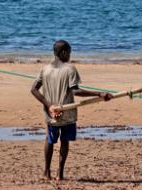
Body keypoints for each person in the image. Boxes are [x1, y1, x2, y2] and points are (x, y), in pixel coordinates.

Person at [30, 40, 112, 181]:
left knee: (50, 140)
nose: (70, 55)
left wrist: (48, 106)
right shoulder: (70, 69)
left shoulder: (45, 69)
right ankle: (60, 173)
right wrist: (99, 94)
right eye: (69, 52)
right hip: (66, 113)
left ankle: (47, 171)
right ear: (63, 53)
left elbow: (33, 89)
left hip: (51, 114)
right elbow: (76, 91)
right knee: (64, 141)